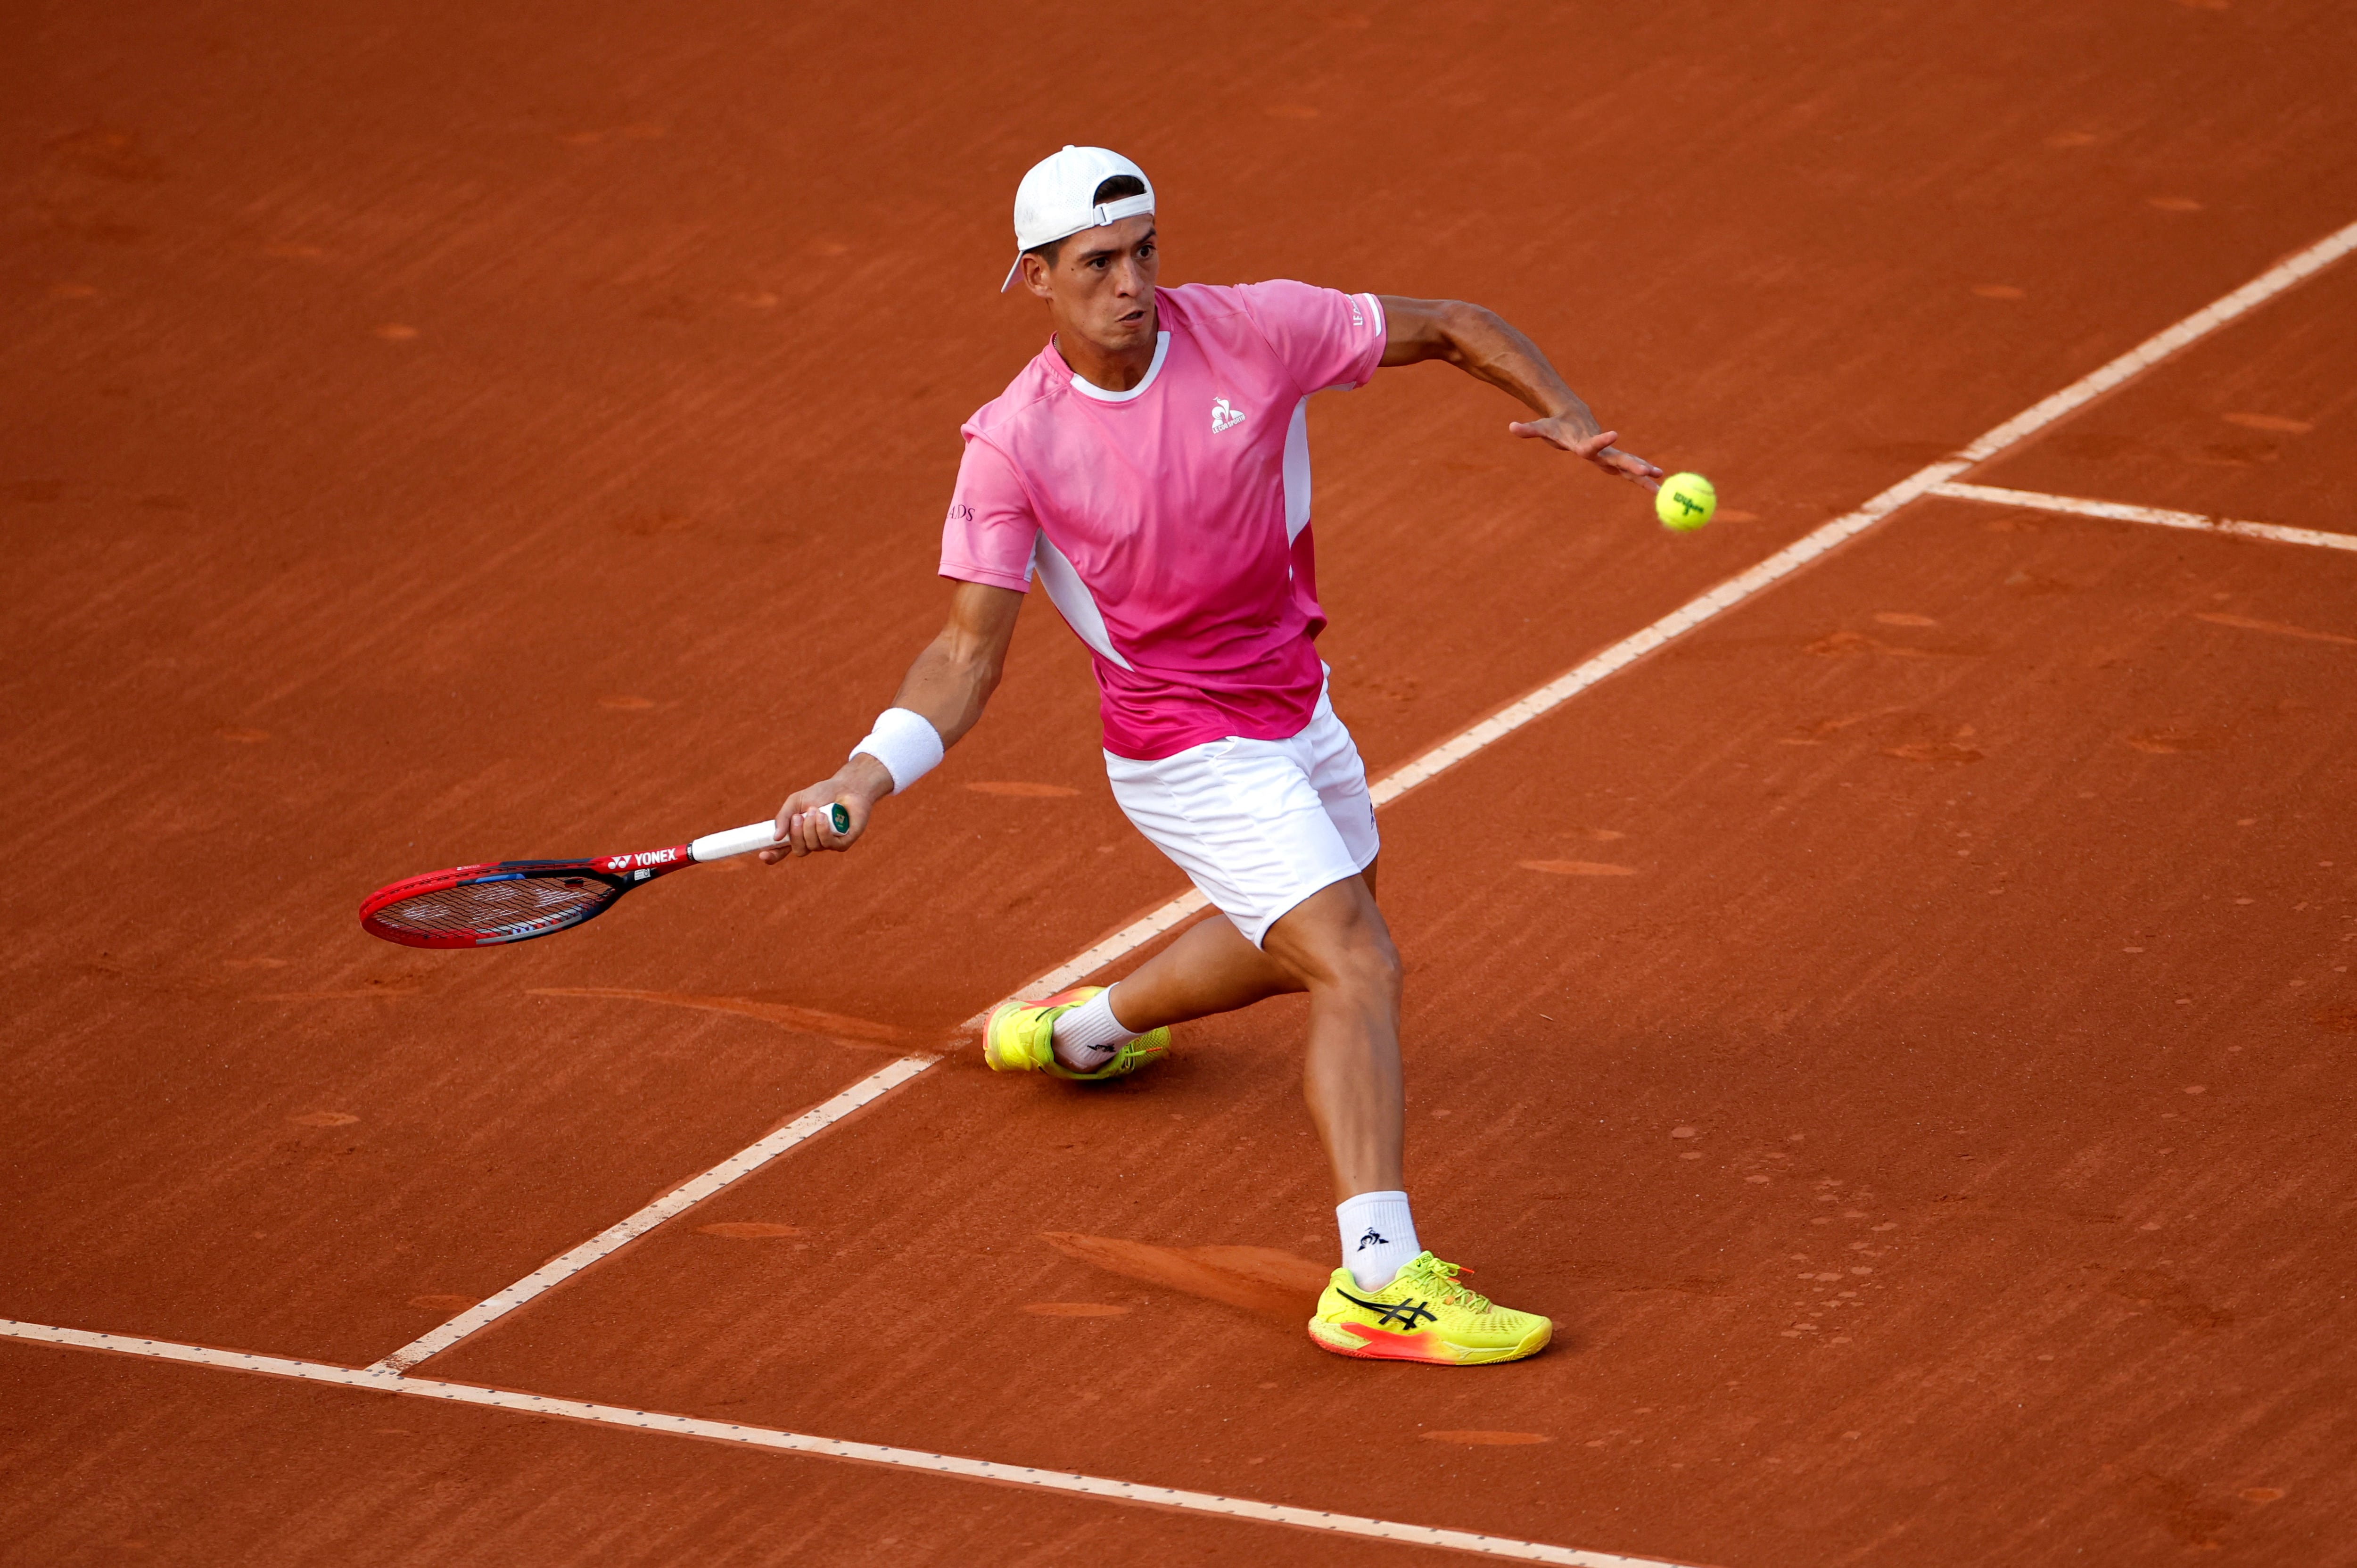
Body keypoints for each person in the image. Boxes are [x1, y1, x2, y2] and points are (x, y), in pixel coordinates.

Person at [764, 145, 1659, 1365]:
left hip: (1296, 702)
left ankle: (1084, 1030)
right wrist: (865, 773)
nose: (1131, 284)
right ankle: (1378, 1280)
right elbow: (965, 656)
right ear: (1035, 277)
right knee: (1355, 960)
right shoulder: (1014, 445)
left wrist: (1568, 411)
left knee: (1308, 936)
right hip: (1182, 743)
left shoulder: (1254, 330)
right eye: (1096, 263)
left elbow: (1454, 324)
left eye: (1144, 252)